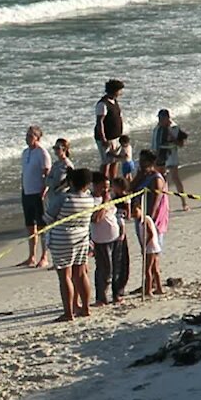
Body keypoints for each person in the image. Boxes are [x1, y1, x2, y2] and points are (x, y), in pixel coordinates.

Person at [49, 169, 96, 321]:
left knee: (64, 276)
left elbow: (48, 217)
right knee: (81, 273)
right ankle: (86, 308)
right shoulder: (90, 199)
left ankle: (68, 313)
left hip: (62, 238)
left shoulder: (64, 198)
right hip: (82, 237)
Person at [19, 125, 51, 269]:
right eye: (27, 135)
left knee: (43, 227)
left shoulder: (42, 153)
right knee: (30, 226)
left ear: (37, 138)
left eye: (30, 136)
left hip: (38, 194)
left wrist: (44, 191)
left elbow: (47, 174)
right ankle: (31, 256)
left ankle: (44, 256)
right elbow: (24, 173)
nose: (27, 138)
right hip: (27, 192)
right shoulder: (25, 153)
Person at [90, 173, 124, 306]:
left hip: (115, 237)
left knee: (117, 267)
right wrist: (104, 202)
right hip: (101, 240)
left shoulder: (110, 198)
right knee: (105, 269)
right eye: (103, 187)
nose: (106, 190)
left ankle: (116, 294)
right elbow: (95, 219)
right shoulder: (92, 200)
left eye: (108, 187)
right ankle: (101, 297)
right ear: (96, 186)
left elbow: (115, 214)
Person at [151, 109, 190, 211]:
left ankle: (184, 203)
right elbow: (154, 144)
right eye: (159, 118)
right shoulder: (157, 128)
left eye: (162, 118)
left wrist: (173, 138)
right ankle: (162, 205)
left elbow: (182, 144)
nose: (160, 120)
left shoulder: (174, 128)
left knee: (175, 178)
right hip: (159, 156)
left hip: (171, 155)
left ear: (167, 118)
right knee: (161, 180)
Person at [94, 79, 126, 170]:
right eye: (120, 90)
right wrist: (103, 139)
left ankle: (113, 180)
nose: (121, 93)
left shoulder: (114, 101)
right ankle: (104, 181)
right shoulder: (103, 104)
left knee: (115, 160)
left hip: (115, 137)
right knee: (106, 162)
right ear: (115, 91)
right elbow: (100, 122)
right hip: (106, 138)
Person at [134, 201, 163, 295]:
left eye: (136, 212)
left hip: (151, 247)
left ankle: (148, 290)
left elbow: (150, 233)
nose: (135, 214)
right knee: (155, 269)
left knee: (148, 269)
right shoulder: (141, 221)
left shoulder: (145, 220)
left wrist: (144, 246)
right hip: (153, 247)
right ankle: (159, 288)